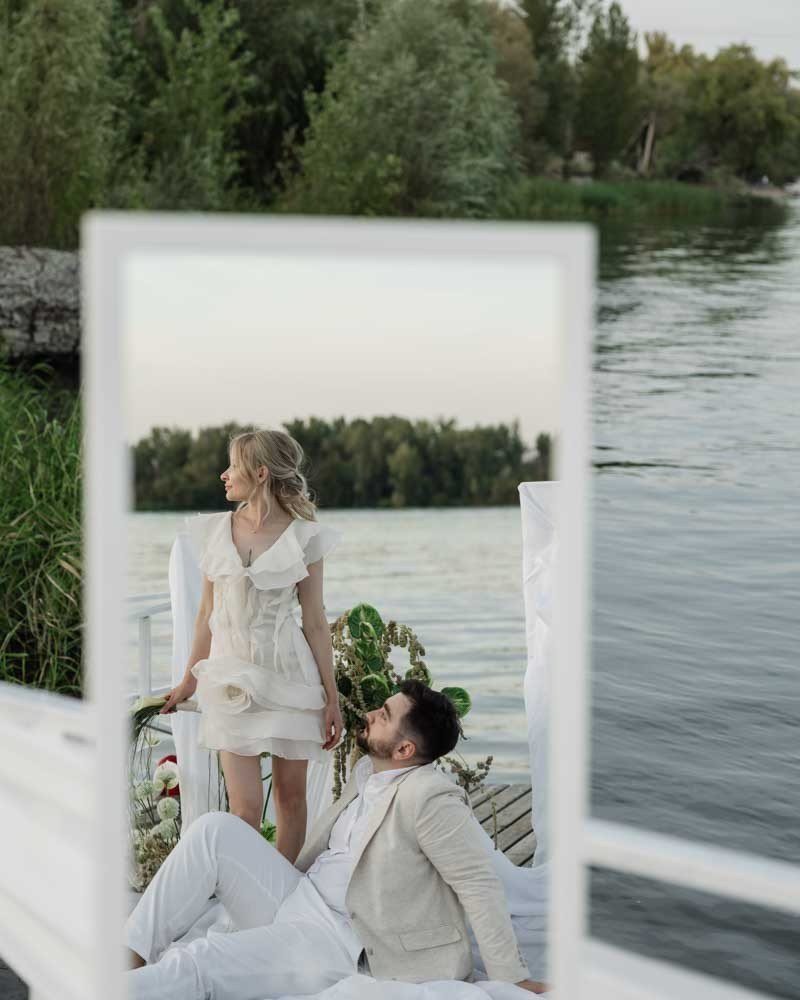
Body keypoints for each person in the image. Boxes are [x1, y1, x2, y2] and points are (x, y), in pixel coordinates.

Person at [127, 681, 546, 999]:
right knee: (213, 831)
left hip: (337, 939)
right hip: (298, 897)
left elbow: (478, 884)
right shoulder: (369, 775)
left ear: (404, 750)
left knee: (204, 960)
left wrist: (511, 978)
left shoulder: (430, 797)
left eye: (384, 715)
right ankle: (129, 956)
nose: (371, 713)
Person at [159, 429, 343, 862]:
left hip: (290, 678)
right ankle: (246, 887)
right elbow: (206, 615)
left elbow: (315, 622)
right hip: (229, 680)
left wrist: (331, 698)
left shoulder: (305, 538)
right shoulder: (214, 531)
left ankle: (281, 891)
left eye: (233, 466)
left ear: (261, 473)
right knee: (242, 811)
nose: (223, 475)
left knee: (290, 801)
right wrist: (188, 681)